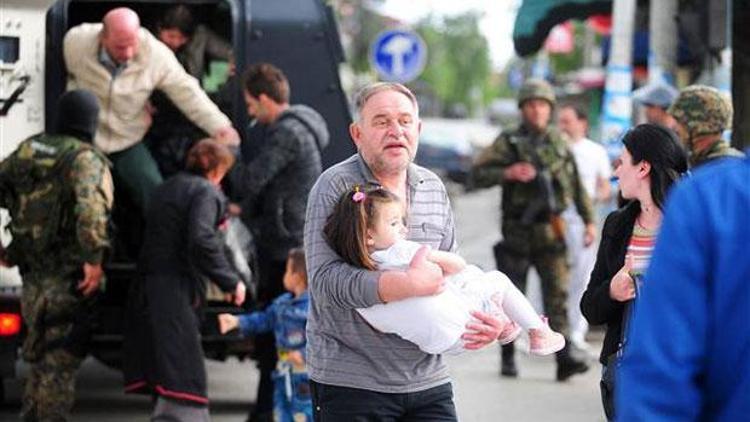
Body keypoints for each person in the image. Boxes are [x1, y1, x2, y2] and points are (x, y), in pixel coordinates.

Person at [304, 82, 504, 420]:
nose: (396, 130)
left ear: (418, 129)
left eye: (405, 121)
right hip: (352, 383)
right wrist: (406, 285)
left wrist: (488, 321)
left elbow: (456, 278)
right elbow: (324, 282)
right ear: (357, 133)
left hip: (429, 382)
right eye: (381, 122)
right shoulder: (335, 186)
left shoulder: (433, 187)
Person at [324, 186, 566, 356]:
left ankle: (503, 321)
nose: (404, 230)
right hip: (460, 327)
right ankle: (538, 332)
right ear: (368, 235)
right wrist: (435, 256)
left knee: (470, 280)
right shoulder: (403, 251)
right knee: (494, 279)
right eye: (395, 223)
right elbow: (456, 265)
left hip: (436, 342)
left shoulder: (359, 272)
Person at [0, 90, 113, 421]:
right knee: (58, 363)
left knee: (37, 359)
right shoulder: (83, 159)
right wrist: (94, 261)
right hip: (66, 277)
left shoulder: (30, 149)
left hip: (32, 274)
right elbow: (90, 214)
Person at [472, 78, 595, 381]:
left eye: (542, 105)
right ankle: (508, 356)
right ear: (522, 109)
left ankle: (564, 356)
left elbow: (576, 183)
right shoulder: (510, 141)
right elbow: (477, 173)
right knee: (511, 297)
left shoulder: (559, 141)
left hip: (551, 230)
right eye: (530, 105)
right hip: (518, 230)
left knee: (558, 294)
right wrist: (509, 173)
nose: (537, 110)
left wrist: (589, 219)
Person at [226, 62, 328, 422]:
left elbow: (251, 179)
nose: (250, 113)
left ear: (266, 99)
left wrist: (231, 150)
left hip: (283, 245)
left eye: (251, 105)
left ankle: (266, 410)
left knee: (276, 327)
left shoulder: (287, 133)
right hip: (291, 238)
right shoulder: (303, 127)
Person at [63, 7, 239, 214]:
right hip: (86, 140)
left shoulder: (155, 54)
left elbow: (187, 92)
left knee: (156, 198)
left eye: (132, 45)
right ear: (103, 37)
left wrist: (221, 126)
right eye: (120, 48)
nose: (128, 54)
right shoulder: (76, 43)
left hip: (127, 138)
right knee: (77, 202)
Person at [617, 155, 750, 421]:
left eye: (621, 163)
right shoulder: (710, 201)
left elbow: (659, 379)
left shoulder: (712, 200)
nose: (616, 171)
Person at [123, 139, 246, 421]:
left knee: (165, 365)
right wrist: (231, 281)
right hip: (175, 287)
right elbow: (202, 239)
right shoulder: (205, 192)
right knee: (183, 370)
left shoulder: (167, 186)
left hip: (147, 286)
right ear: (217, 171)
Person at [580, 124, 688, 421]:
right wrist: (612, 292)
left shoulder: (691, 226)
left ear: (643, 168)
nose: (616, 172)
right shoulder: (617, 225)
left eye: (622, 162)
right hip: (627, 372)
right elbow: (590, 308)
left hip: (681, 371)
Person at [218, 248, 312, 422]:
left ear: (297, 276)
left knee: (303, 414)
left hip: (304, 378)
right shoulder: (281, 304)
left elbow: (320, 340)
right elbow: (263, 320)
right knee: (281, 413)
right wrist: (237, 322)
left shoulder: (313, 310)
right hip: (282, 373)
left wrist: (304, 354)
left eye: (287, 270)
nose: (284, 275)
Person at [557, 104, 612, 352]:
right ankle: (547, 328)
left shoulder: (595, 152)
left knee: (582, 275)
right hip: (555, 220)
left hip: (582, 221)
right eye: (561, 121)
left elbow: (605, 186)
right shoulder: (556, 148)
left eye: (568, 121)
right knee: (552, 275)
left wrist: (591, 203)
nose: (563, 126)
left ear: (582, 123)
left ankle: (576, 331)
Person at [668, 84, 745, 168]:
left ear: (696, 126)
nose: (675, 128)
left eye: (680, 122)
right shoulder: (734, 163)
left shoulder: (717, 167)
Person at [156, 4, 232, 81]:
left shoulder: (200, 36)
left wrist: (234, 61)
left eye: (182, 38)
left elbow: (230, 52)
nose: (177, 43)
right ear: (159, 29)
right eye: (171, 36)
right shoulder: (147, 42)